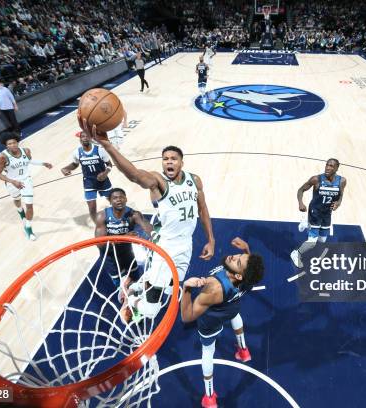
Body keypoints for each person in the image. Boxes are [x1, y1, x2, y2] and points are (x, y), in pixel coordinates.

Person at [79, 115, 215, 319]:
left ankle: (134, 288)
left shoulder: (194, 181)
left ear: (181, 162)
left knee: (170, 288)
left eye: (173, 159)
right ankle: (134, 306)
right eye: (165, 159)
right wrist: (107, 146)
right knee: (152, 309)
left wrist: (211, 240)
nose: (169, 162)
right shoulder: (158, 181)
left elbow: (203, 209)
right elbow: (134, 174)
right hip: (166, 245)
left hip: (186, 244)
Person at [180, 237, 264, 408]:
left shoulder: (213, 288)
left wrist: (186, 288)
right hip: (231, 305)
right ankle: (243, 351)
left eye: (239, 261)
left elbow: (187, 317)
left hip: (212, 320)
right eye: (239, 256)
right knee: (235, 315)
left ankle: (209, 397)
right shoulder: (247, 280)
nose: (234, 256)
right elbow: (249, 270)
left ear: (239, 275)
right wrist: (247, 249)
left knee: (208, 351)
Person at [95, 188, 152, 304]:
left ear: (126, 199)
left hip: (127, 253)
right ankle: (126, 303)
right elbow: (100, 244)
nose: (119, 200)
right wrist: (125, 237)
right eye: (115, 198)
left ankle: (136, 301)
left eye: (121, 197)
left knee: (136, 280)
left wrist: (154, 234)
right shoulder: (102, 216)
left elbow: (148, 227)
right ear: (109, 201)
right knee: (121, 286)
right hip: (110, 256)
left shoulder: (134, 215)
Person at [0, 132, 53, 240]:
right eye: (9, 144)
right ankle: (21, 213)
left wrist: (43, 163)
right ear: (6, 146)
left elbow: (29, 161)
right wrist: (12, 181)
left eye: (14, 143)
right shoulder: (2, 157)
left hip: (26, 181)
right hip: (12, 183)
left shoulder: (26, 151)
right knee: (17, 200)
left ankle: (28, 228)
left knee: (29, 205)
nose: (12, 145)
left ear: (17, 142)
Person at [290, 159, 346, 268]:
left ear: (337, 168)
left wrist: (338, 203)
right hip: (315, 212)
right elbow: (301, 190)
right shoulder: (316, 179)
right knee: (312, 242)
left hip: (327, 214)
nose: (327, 168)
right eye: (327, 165)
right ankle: (296, 253)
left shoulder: (342, 181)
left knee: (322, 240)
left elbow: (341, 195)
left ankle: (306, 223)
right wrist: (300, 203)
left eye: (331, 166)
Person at [61, 130, 113, 224]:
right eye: (83, 136)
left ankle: (116, 219)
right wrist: (65, 168)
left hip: (103, 180)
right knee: (92, 207)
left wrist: (105, 173)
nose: (85, 138)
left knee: (112, 200)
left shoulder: (99, 150)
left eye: (87, 136)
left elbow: (109, 164)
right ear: (80, 139)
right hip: (89, 182)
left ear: (90, 138)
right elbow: (75, 164)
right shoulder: (77, 152)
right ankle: (97, 225)